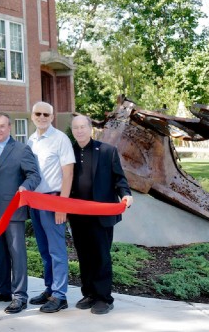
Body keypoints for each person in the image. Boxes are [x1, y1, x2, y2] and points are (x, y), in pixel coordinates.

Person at [69, 115, 133, 315]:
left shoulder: (107, 151)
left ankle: (104, 298)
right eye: (75, 128)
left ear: (90, 129)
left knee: (101, 256)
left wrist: (126, 195)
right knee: (84, 256)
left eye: (83, 127)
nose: (79, 131)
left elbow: (119, 179)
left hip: (101, 214)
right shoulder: (68, 151)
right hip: (77, 215)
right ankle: (89, 293)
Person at [0, 112, 40, 315]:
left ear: (10, 127)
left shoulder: (21, 150)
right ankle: (3, 290)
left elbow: (34, 175)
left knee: (17, 254)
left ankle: (20, 295)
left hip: (13, 211)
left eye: (2, 126)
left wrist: (25, 186)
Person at [26, 101, 75, 313]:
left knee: (56, 251)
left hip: (53, 200)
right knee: (44, 251)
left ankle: (60, 295)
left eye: (46, 114)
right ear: (32, 116)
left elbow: (68, 173)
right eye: (38, 113)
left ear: (52, 117)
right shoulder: (31, 140)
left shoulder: (60, 139)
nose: (42, 117)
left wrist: (62, 205)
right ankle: (49, 289)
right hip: (35, 202)